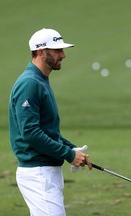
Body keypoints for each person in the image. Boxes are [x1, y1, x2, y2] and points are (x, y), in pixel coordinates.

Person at [9, 28, 92, 216]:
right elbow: (30, 132)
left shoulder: (40, 80)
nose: (63, 55)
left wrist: (72, 149)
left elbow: (46, 130)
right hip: (38, 173)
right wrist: (67, 154)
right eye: (57, 51)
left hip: (46, 172)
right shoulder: (30, 83)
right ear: (40, 52)